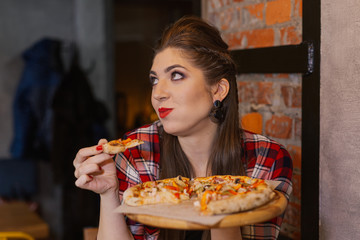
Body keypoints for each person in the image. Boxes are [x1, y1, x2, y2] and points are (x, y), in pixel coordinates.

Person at [73, 16, 293, 240]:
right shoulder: (136, 151)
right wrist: (108, 193)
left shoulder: (267, 158)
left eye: (176, 75)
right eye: (154, 80)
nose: (158, 93)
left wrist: (223, 196)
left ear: (218, 89)